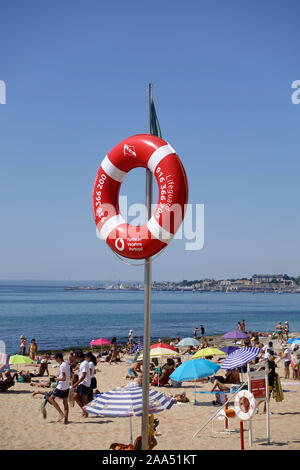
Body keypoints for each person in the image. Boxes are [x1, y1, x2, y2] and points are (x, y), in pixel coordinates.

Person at [48, 352, 70, 424]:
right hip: (66, 385)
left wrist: (55, 379)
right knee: (65, 403)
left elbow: (63, 378)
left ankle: (61, 413)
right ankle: (66, 420)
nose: (55, 360)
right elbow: (68, 375)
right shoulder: (66, 364)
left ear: (58, 358)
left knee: (51, 398)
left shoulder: (62, 366)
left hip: (62, 386)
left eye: (55, 358)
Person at [72, 350, 91, 417]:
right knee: (75, 397)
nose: (75, 358)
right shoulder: (82, 363)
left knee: (83, 400)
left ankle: (86, 413)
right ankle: (84, 411)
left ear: (78, 357)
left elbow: (83, 375)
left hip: (84, 383)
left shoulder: (84, 363)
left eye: (76, 357)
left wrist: (76, 383)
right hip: (83, 383)